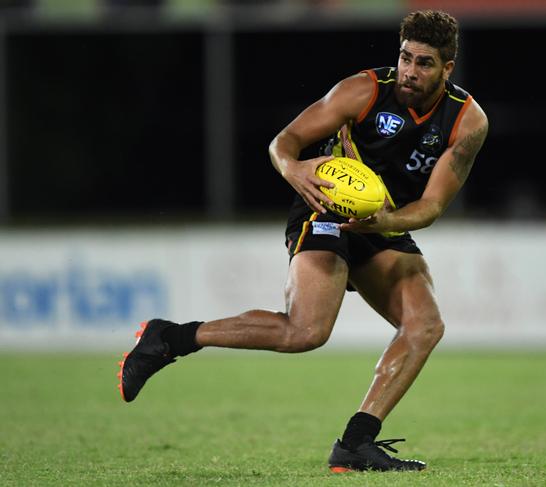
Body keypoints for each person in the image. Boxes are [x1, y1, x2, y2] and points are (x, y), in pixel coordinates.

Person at [118, 10, 488, 472]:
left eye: (425, 63)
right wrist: (294, 170)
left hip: (384, 221)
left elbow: (431, 206)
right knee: (306, 331)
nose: (411, 71)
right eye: (406, 57)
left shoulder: (466, 122)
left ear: (448, 68)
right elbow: (284, 141)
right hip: (325, 208)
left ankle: (355, 445)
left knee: (425, 325)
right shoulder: (364, 90)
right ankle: (171, 337)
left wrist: (386, 221)